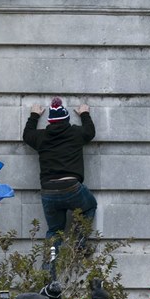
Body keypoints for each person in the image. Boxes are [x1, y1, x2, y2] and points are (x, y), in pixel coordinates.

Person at [23, 99, 98, 256]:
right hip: (72, 187)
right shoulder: (76, 133)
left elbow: (27, 135)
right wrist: (84, 113)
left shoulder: (41, 137)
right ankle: (79, 243)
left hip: (49, 190)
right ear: (67, 119)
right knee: (90, 206)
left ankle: (49, 277)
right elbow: (90, 131)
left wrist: (34, 116)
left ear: (50, 121)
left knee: (55, 232)